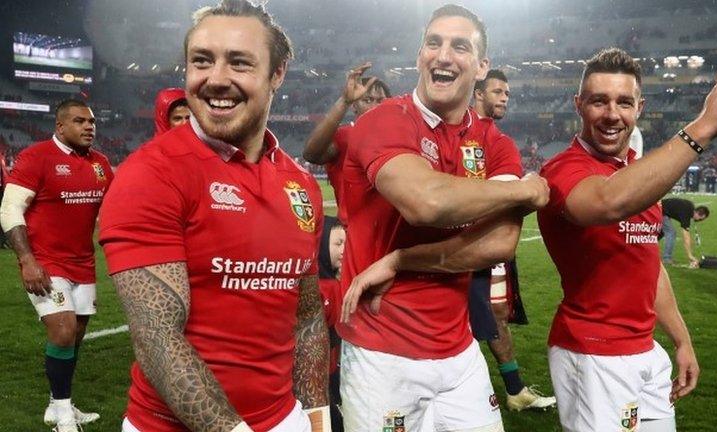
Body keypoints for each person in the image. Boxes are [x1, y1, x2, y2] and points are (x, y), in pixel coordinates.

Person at [98, 1, 330, 431]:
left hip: (284, 419)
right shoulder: (151, 175)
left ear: (277, 74)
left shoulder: (301, 184)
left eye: (239, 62)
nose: (216, 79)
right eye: (202, 60)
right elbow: (158, 339)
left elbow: (308, 315)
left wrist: (317, 418)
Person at [336, 4, 550, 431]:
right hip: (382, 351)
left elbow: (498, 245)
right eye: (433, 43)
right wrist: (521, 189)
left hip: (460, 350)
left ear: (481, 66)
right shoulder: (384, 121)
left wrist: (400, 260)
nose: (443, 55)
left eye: (460, 46)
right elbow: (426, 202)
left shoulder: (494, 141)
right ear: (420, 55)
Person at [537, 48, 717, 431]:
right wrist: (702, 126)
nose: (612, 114)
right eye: (598, 101)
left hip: (645, 351)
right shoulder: (563, 169)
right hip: (592, 352)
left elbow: (648, 268)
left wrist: (682, 341)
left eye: (624, 102)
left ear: (640, 107)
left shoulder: (639, 177)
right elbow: (605, 202)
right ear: (578, 105)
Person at [0, 99, 112, 432]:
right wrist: (27, 260)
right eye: (80, 121)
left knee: (75, 337)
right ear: (60, 127)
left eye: (91, 122)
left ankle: (56, 402)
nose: (89, 127)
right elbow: (9, 209)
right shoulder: (36, 157)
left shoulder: (101, 164)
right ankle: (64, 416)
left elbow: (115, 208)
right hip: (45, 261)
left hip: (83, 262)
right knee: (62, 331)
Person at [471, 69, 556, 411]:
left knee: (497, 313)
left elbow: (505, 196)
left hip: (488, 245)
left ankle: (515, 389)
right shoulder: (455, 134)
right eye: (498, 91)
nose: (505, 97)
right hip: (453, 243)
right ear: (478, 93)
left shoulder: (499, 141)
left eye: (507, 92)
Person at [302, 62, 390, 225]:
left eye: (380, 100)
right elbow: (311, 154)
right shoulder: (345, 135)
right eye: (368, 100)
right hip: (354, 234)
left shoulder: (399, 138)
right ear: (355, 106)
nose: (375, 106)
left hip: (392, 235)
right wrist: (344, 101)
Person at [317, 217, 346, 432]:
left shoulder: (335, 283)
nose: (344, 250)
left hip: (333, 368)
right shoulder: (317, 288)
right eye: (338, 244)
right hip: (318, 377)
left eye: (346, 243)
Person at [660, 198, 710, 266]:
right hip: (659, 210)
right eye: (700, 219)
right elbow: (686, 236)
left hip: (660, 209)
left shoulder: (690, 208)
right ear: (698, 213)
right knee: (671, 233)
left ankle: (645, 247)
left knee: (660, 232)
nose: (699, 221)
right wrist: (690, 255)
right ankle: (666, 259)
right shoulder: (687, 212)